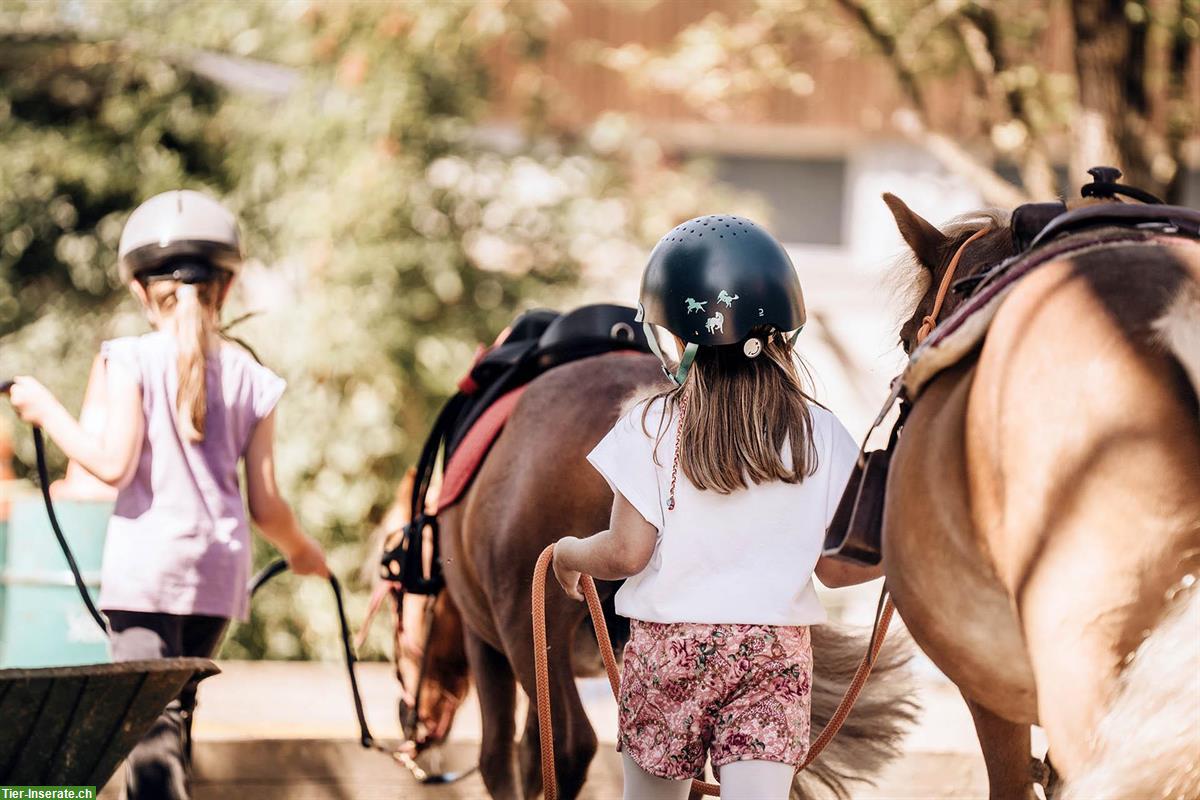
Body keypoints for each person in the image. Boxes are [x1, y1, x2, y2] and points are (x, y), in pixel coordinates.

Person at [9, 189, 329, 800]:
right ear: (228, 289)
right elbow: (266, 505)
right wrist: (300, 551)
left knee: (146, 732)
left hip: (148, 573)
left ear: (137, 290)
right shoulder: (254, 378)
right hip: (215, 579)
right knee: (172, 717)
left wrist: (44, 409)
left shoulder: (128, 359)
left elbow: (110, 465)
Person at [551, 215, 881, 800]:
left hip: (668, 652)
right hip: (775, 655)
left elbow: (627, 551)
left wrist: (568, 553)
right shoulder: (822, 433)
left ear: (670, 331)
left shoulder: (650, 425)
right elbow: (834, 567)